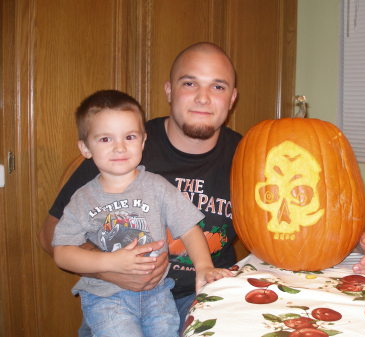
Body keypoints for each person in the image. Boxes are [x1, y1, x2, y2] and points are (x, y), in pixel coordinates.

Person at [39, 42, 365, 335]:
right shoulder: (121, 146)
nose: (203, 98)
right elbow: (52, 234)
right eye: (189, 83)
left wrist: (362, 234)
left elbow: (308, 208)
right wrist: (106, 268)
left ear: (232, 98)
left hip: (208, 293)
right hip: (117, 301)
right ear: (169, 90)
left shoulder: (253, 155)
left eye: (218, 86)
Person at [52, 89, 232, 337]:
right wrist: (110, 262)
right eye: (105, 139)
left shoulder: (157, 186)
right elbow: (62, 252)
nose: (119, 147)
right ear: (85, 148)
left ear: (143, 141)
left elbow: (189, 227)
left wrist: (203, 266)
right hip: (107, 297)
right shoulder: (83, 199)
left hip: (158, 295)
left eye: (129, 136)